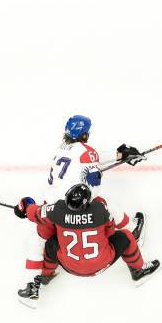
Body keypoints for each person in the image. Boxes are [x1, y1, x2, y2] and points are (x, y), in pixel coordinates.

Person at [22, 115, 147, 298]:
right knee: (106, 206)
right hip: (70, 206)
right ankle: (132, 230)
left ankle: (37, 282)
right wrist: (122, 157)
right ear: (85, 134)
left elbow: (92, 155)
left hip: (50, 206)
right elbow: (93, 182)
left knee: (39, 240)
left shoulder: (62, 148)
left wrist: (118, 155)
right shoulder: (86, 152)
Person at [14, 184, 160, 308]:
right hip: (101, 263)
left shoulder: (57, 209)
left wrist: (25, 205)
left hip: (69, 265)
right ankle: (138, 272)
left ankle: (46, 276)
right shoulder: (100, 209)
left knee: (51, 243)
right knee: (127, 236)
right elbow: (109, 232)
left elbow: (34, 213)